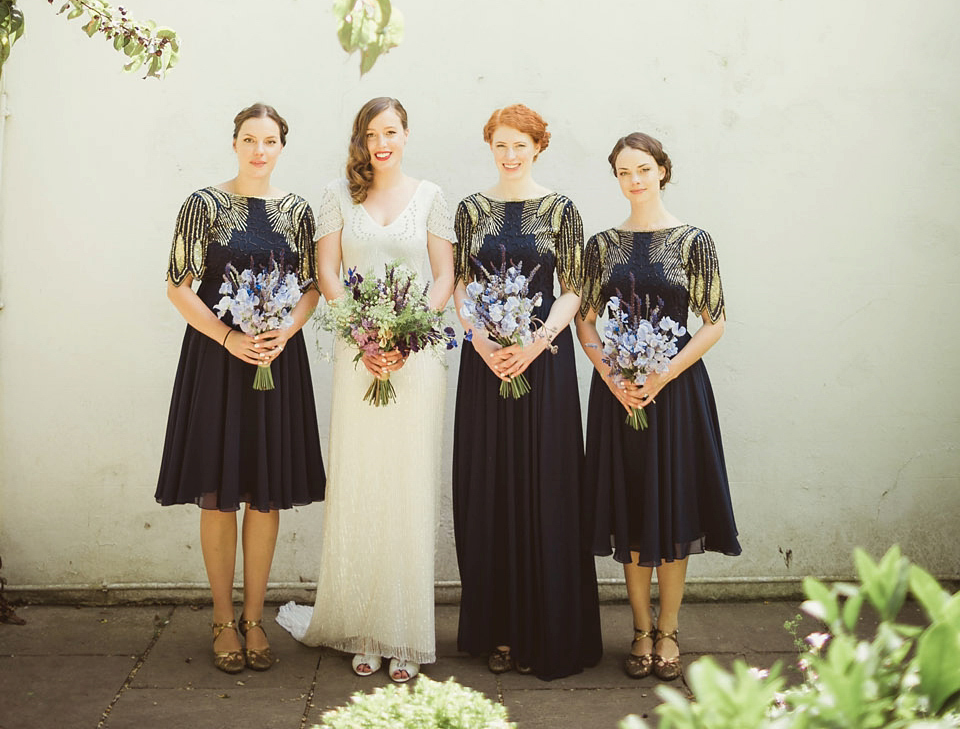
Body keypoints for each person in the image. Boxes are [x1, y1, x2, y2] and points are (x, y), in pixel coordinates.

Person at [276, 97, 455, 684]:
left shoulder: (432, 196)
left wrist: (407, 336)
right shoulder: (336, 195)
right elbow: (327, 271)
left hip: (415, 356)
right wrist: (362, 333)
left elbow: (444, 276)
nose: (383, 142)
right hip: (359, 357)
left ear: (407, 135)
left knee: (408, 484)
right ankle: (358, 624)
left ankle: (404, 633)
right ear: (362, 139)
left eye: (393, 131)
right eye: (373, 133)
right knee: (360, 484)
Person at [155, 102, 325, 674]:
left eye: (270, 140)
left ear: (282, 147)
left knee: (265, 489)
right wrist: (228, 338)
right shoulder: (202, 205)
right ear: (234, 143)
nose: (259, 149)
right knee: (219, 490)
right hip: (218, 360)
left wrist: (286, 329)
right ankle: (222, 618)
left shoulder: (299, 212)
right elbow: (179, 287)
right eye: (249, 139)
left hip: (277, 359)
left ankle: (256, 618)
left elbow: (311, 288)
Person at [577, 131, 740, 682]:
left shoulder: (694, 241)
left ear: (662, 170)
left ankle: (669, 630)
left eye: (643, 169)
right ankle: (640, 630)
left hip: (675, 395)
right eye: (624, 172)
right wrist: (613, 375)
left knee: (671, 510)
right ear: (616, 179)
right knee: (632, 510)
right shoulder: (601, 245)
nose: (635, 180)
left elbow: (714, 321)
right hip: (619, 396)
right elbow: (586, 321)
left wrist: (664, 372)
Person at [452, 104, 602, 681]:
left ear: (538, 147)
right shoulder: (471, 210)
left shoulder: (560, 209)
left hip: (544, 365)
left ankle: (550, 630)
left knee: (547, 489)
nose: (510, 155)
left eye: (520, 145)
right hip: (486, 365)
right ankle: (501, 632)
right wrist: (483, 342)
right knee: (490, 489)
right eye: (501, 145)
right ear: (489, 146)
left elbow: (574, 287)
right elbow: (461, 285)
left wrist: (537, 342)